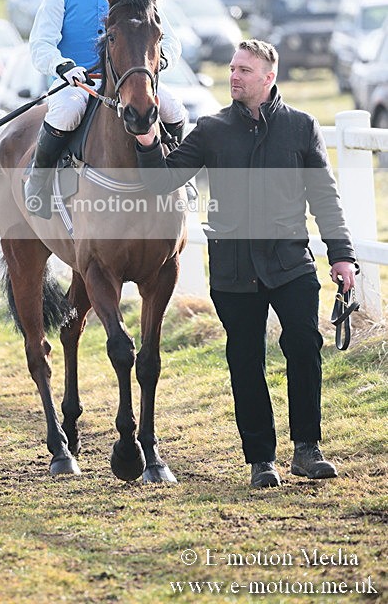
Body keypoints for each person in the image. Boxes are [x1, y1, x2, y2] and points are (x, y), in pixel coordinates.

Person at [133, 39, 357, 488]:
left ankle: (307, 449)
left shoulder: (301, 126)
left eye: (244, 70)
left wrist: (342, 255)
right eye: (233, 68)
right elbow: (162, 181)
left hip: (290, 261)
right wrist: (146, 140)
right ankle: (261, 460)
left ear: (269, 77)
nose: (234, 76)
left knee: (304, 347)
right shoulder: (212, 129)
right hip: (233, 269)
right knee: (245, 359)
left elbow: (325, 196)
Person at [23, 0, 186, 218]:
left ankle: (180, 179)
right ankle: (37, 184)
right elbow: (40, 45)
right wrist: (63, 66)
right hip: (78, 84)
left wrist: (155, 63)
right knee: (67, 111)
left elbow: (170, 42)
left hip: (128, 82)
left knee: (173, 107)